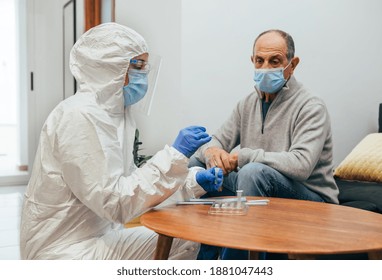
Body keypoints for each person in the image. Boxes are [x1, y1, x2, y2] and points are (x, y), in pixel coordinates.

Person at [20, 22, 223, 260]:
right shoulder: (79, 117)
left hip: (95, 236)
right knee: (185, 235)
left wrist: (192, 182)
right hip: (65, 251)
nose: (144, 74)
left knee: (187, 231)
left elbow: (130, 182)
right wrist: (175, 155)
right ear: (109, 69)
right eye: (138, 65)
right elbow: (116, 203)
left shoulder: (115, 116)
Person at [190, 29, 339, 260]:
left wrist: (243, 157)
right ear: (252, 61)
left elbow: (301, 165)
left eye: (275, 61)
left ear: (293, 64)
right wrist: (212, 152)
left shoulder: (311, 106)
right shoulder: (247, 103)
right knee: (197, 163)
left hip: (314, 200)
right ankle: (204, 257)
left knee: (252, 172)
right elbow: (217, 141)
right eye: (260, 61)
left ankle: (235, 266)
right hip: (261, 188)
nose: (266, 67)